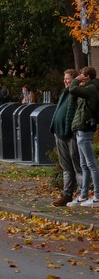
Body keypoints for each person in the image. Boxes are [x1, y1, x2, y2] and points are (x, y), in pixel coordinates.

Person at [68, 66, 99, 207]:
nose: (79, 78)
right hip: (80, 129)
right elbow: (72, 100)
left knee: (91, 164)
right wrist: (76, 87)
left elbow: (73, 88)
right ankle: (83, 195)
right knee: (84, 165)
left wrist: (75, 81)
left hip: (85, 129)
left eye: (81, 76)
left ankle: (97, 197)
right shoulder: (86, 91)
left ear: (87, 77)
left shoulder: (91, 89)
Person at [50, 69, 82, 207]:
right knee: (66, 166)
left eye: (68, 78)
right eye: (65, 78)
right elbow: (58, 110)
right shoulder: (64, 93)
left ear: (74, 80)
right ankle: (67, 194)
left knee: (78, 165)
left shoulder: (76, 93)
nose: (65, 80)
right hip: (60, 133)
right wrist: (53, 127)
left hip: (71, 134)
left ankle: (82, 193)